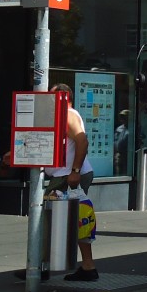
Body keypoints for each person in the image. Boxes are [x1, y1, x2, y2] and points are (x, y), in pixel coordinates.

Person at [48, 83, 98, 281]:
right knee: (74, 220)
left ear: (63, 97)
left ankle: (39, 266)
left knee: (45, 216)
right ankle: (87, 266)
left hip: (68, 175)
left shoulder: (68, 114)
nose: (48, 99)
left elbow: (82, 141)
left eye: (52, 95)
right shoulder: (64, 114)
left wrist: (75, 171)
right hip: (66, 173)